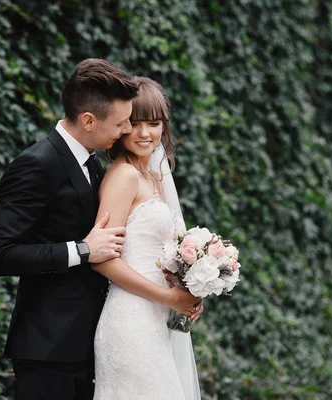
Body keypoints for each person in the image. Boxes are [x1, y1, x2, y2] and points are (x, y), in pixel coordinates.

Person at [0, 59, 201, 400]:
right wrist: (82, 250)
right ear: (89, 120)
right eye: (122, 123)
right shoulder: (36, 164)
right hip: (48, 347)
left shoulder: (95, 164)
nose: (127, 131)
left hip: (94, 338)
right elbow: (0, 255)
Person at [92, 77, 201, 399]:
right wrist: (167, 298)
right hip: (131, 323)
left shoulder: (155, 176)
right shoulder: (123, 176)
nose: (144, 134)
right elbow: (102, 259)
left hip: (156, 321)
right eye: (134, 124)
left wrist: (191, 289)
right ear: (121, 126)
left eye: (153, 124)